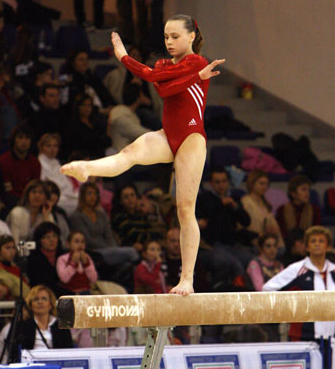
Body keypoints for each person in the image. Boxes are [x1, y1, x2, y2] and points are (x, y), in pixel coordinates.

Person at [61, 15, 225, 294]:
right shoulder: (165, 65)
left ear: (191, 37)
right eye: (166, 37)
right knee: (129, 152)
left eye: (175, 36)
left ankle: (187, 279)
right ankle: (88, 169)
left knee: (185, 208)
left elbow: (157, 80)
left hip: (191, 138)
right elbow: (162, 86)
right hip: (168, 134)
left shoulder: (197, 62)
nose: (170, 42)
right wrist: (191, 79)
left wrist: (125, 57)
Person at [263, 226, 335, 341]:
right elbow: (267, 289)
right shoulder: (296, 269)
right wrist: (290, 308)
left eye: (321, 241)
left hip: (333, 338)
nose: (317, 244)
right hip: (302, 338)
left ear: (328, 246)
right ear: (306, 247)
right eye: (313, 241)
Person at [0, 284, 73, 362]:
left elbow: (69, 351)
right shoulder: (22, 325)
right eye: (36, 299)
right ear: (30, 305)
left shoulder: (61, 325)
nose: (40, 302)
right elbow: (13, 353)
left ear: (50, 304)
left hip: (55, 366)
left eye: (44, 299)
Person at [0, 123, 41, 205]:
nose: (24, 142)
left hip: (31, 200)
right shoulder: (4, 160)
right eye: (20, 137)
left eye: (27, 138)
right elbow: (7, 190)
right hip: (10, 201)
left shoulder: (35, 162)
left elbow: (35, 186)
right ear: (13, 140)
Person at [38, 132, 79, 216]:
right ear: (41, 147)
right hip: (54, 198)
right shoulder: (39, 164)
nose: (52, 149)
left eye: (55, 146)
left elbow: (67, 185)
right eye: (48, 146)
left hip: (66, 196)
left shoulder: (56, 164)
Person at [241, 169, 284, 249]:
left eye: (266, 184)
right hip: (254, 244)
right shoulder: (246, 202)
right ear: (252, 184)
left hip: (269, 242)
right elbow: (251, 227)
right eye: (261, 184)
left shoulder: (264, 203)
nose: (264, 187)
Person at [26, 223, 71, 298]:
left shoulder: (64, 255)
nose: (52, 240)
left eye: (54, 236)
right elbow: (44, 283)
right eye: (47, 237)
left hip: (66, 294)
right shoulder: (34, 258)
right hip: (42, 295)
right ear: (40, 240)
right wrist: (71, 293)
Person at [6, 179, 55, 244]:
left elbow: (51, 243)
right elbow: (14, 242)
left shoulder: (47, 215)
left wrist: (46, 216)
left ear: (46, 197)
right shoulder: (17, 213)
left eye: (41, 192)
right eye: (34, 192)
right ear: (27, 195)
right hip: (17, 251)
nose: (37, 196)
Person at [108, 82, 151, 151]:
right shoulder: (120, 116)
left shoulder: (124, 112)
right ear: (138, 97)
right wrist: (160, 134)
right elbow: (140, 133)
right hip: (122, 153)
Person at [276, 175, 321, 239]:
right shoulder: (282, 210)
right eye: (303, 189)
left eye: (308, 190)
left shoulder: (314, 209)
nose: (307, 193)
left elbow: (315, 232)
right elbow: (282, 234)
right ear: (293, 193)